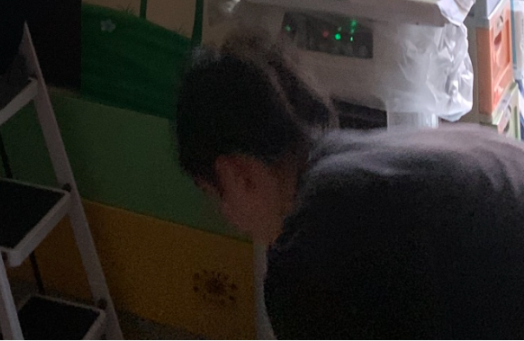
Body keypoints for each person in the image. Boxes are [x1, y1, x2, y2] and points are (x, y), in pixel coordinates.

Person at [175, 31, 524, 341]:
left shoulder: (308, 252)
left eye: (215, 197)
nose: (230, 219)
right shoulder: (365, 164)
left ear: (237, 174)